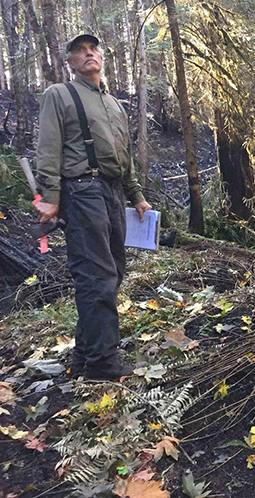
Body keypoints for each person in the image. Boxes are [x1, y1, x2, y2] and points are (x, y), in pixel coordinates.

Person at [34, 33, 152, 381]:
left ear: (101, 56)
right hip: (81, 191)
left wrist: (137, 196)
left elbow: (124, 157)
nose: (89, 54)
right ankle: (103, 364)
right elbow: (48, 148)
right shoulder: (59, 94)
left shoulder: (115, 104)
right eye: (80, 52)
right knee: (96, 276)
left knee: (113, 271)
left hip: (112, 192)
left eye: (93, 49)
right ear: (70, 61)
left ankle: (85, 353)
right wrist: (51, 197)